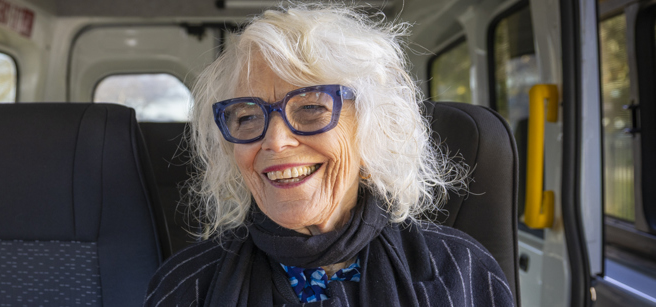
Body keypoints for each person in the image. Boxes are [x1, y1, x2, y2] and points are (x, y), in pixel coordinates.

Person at [144, 3, 513, 306]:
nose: (275, 141)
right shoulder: (186, 285)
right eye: (247, 116)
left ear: (374, 131)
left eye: (311, 109)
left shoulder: (460, 270)